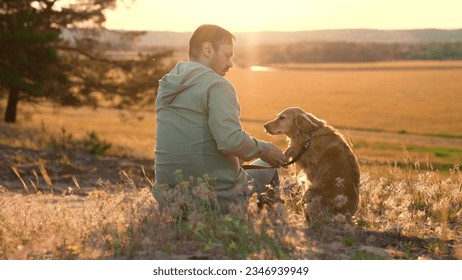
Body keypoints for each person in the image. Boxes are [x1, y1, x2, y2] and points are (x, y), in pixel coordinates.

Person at [154, 24, 287, 204]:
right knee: (269, 167)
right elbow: (230, 141)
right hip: (213, 197)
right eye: (227, 55)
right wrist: (265, 149)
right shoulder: (217, 85)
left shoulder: (167, 84)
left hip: (168, 197)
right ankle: (266, 226)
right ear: (207, 49)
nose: (230, 63)